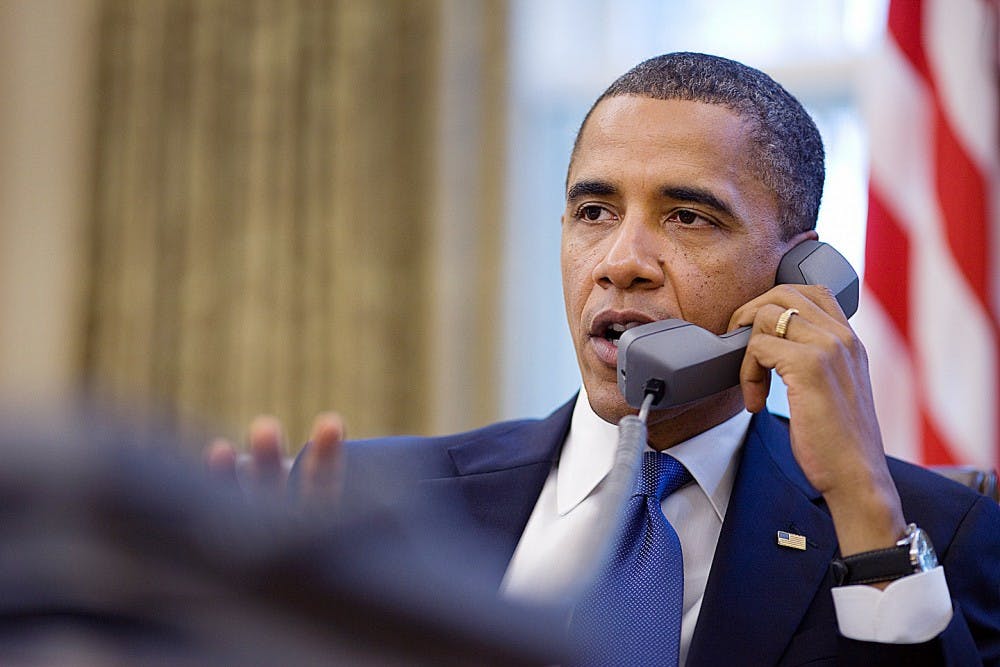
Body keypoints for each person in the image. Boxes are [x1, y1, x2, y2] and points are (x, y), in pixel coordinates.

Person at [210, 53, 1000, 665]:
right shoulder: (366, 505)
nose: (621, 261)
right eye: (595, 211)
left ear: (802, 275)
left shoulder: (933, 532)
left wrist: (863, 502)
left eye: (688, 217)